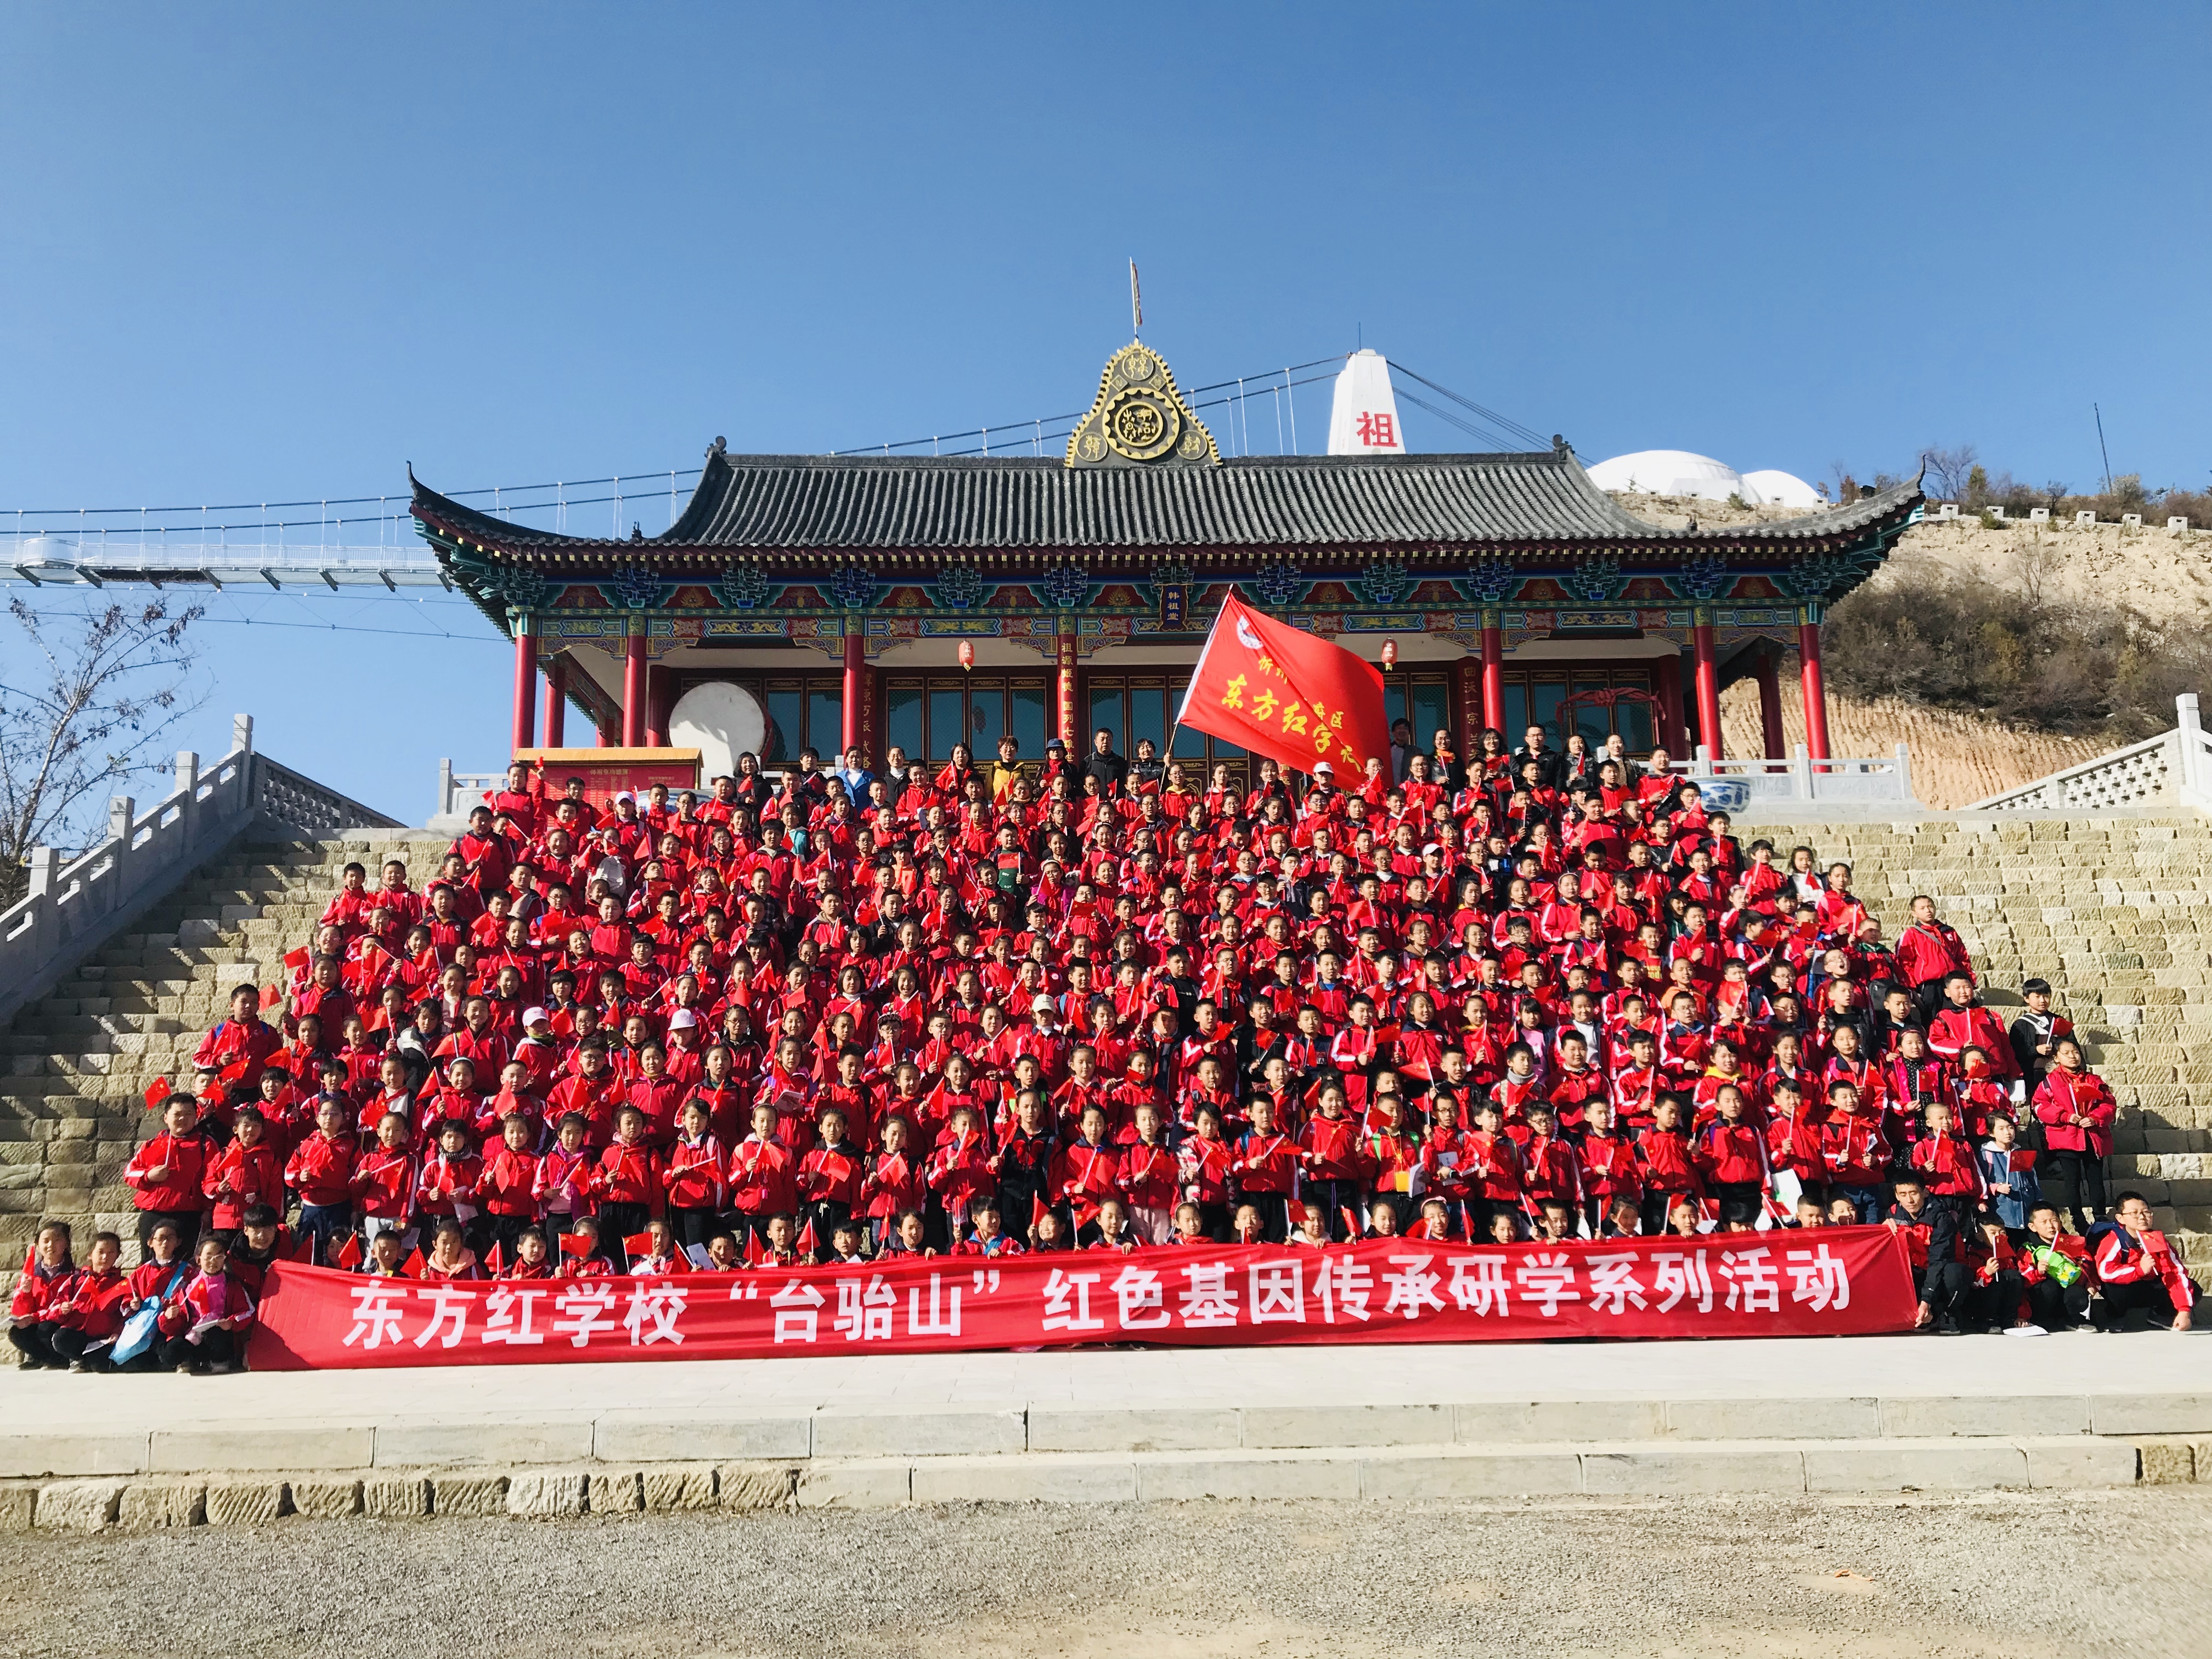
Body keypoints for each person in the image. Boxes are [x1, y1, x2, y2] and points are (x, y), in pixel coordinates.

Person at [2088, 1192, 2198, 1331]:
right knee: (2114, 1289)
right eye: (2134, 1213)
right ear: (2120, 1218)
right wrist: (2139, 1269)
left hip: (2149, 1286)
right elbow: (2105, 1271)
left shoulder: (2156, 1239)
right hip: (2126, 1288)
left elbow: (2175, 1272)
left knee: (2193, 1287)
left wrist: (2184, 1310)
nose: (2142, 1217)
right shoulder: (2114, 1239)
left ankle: (2160, 1316)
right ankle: (2115, 1317)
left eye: (2146, 1212)